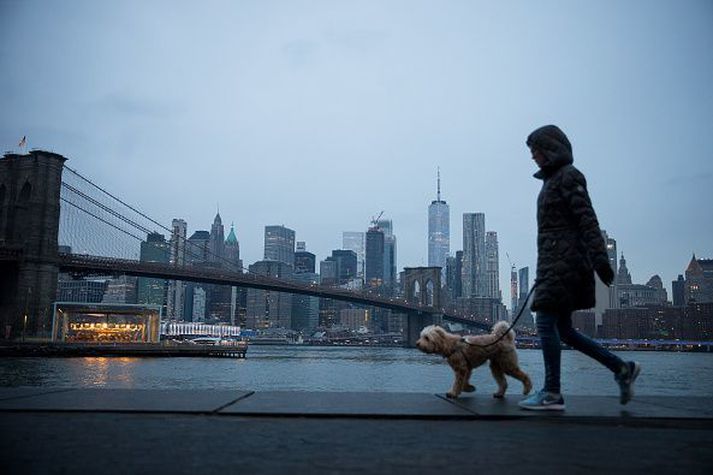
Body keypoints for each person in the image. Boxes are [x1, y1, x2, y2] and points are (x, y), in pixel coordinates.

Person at [518, 125, 640, 411]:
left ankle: (551, 393)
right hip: (553, 265)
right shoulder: (551, 182)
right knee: (565, 330)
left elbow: (587, 219)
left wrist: (601, 261)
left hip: (567, 265)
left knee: (545, 323)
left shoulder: (569, 177)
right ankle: (622, 368)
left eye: (535, 150)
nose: (532, 156)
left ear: (549, 149)